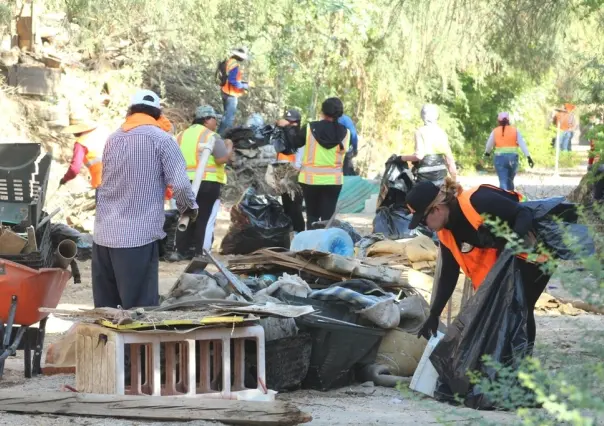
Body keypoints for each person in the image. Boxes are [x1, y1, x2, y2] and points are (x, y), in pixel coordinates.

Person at [407, 179, 550, 350]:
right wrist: (434, 314)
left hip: (532, 254)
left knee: (520, 308)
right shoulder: (446, 233)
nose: (426, 227)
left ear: (436, 209)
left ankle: (521, 364)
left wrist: (510, 244)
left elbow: (524, 214)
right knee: (499, 311)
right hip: (506, 262)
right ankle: (506, 363)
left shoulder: (478, 201)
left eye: (423, 221)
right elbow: (448, 274)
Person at [92, 90, 198, 309]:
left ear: (130, 111)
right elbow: (179, 183)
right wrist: (188, 208)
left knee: (105, 312)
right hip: (136, 237)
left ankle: (107, 345)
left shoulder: (113, 138)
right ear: (158, 114)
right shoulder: (162, 139)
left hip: (103, 236)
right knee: (140, 312)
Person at [168, 105, 233, 261]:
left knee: (184, 215)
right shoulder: (211, 136)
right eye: (214, 119)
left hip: (183, 182)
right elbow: (222, 159)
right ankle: (200, 252)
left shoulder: (181, 136)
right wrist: (229, 146)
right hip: (207, 182)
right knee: (203, 217)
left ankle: (180, 251)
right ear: (206, 120)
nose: (216, 123)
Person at [289, 97, 350, 229]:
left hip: (310, 181)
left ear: (322, 111)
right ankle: (324, 247)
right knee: (327, 219)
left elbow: (294, 143)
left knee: (312, 216)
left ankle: (311, 247)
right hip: (333, 182)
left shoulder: (310, 128)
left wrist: (288, 128)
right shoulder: (346, 133)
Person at [399, 104, 457, 185]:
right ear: (436, 116)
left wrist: (402, 158)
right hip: (441, 182)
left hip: (425, 181)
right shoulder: (441, 133)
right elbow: (450, 160)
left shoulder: (420, 131)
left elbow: (419, 156)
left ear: (423, 116)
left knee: (408, 194)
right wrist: (454, 181)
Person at [484, 112, 534, 191]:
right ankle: (511, 200)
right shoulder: (515, 131)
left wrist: (487, 153)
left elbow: (489, 145)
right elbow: (522, 144)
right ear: (508, 120)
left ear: (498, 121)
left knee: (503, 182)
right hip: (512, 159)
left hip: (500, 159)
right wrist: (528, 157)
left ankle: (504, 200)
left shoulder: (495, 131)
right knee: (510, 182)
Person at [275, 109, 306, 233]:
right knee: (286, 207)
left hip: (295, 174)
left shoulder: (300, 138)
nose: (289, 125)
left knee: (295, 208)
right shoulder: (282, 136)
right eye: (287, 122)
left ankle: (299, 232)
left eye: (292, 123)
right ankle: (289, 233)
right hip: (282, 173)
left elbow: (299, 158)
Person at [59, 119, 110, 190]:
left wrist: (65, 179)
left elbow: (74, 169)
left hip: (102, 178)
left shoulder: (81, 143)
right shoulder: (102, 130)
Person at [217, 47, 250, 136]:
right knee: (228, 118)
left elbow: (229, 77)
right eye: (243, 57)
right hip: (231, 94)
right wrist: (244, 86)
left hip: (224, 90)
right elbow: (232, 80)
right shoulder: (234, 65)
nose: (243, 59)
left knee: (226, 116)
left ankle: (219, 135)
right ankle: (221, 137)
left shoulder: (229, 61)